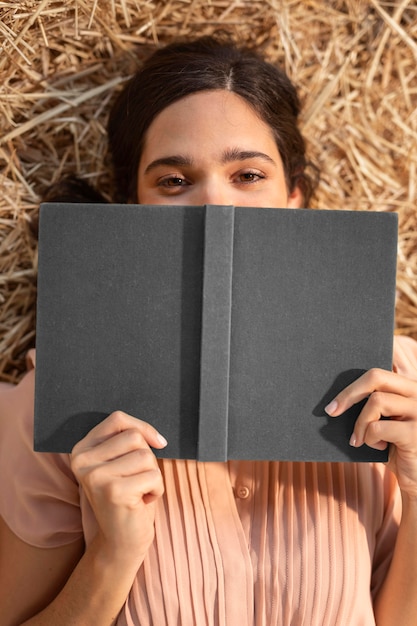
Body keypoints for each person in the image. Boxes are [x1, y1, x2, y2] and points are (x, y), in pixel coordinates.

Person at [1, 35, 417, 626]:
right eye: (173, 181)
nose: (215, 206)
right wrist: (111, 557)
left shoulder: (397, 389)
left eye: (248, 174)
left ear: (294, 197)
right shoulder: (56, 406)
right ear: (132, 207)